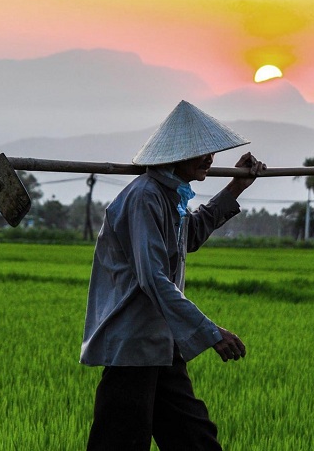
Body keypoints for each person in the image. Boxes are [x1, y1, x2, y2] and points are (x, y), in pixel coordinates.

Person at [80, 100, 265, 450]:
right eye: (200, 152)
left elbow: (188, 236)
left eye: (211, 151)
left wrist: (235, 189)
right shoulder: (145, 198)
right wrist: (211, 332)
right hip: (133, 347)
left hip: (162, 345)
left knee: (196, 440)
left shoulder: (170, 196)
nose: (209, 158)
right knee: (120, 442)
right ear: (176, 156)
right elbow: (154, 279)